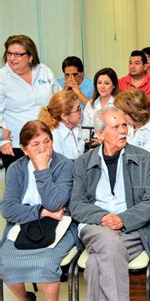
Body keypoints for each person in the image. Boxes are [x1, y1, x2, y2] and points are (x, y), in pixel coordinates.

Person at [70, 106, 150, 300]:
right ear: (100, 133)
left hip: (132, 229)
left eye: (124, 125)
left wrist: (122, 219)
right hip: (95, 226)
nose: (123, 131)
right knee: (109, 244)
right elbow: (76, 204)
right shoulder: (82, 163)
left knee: (96, 263)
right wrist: (103, 218)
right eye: (116, 127)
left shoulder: (143, 159)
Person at [0, 120, 78, 301]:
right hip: (24, 224)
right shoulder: (16, 169)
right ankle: (24, 298)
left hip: (60, 223)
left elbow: (55, 203)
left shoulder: (64, 165)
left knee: (45, 264)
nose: (43, 148)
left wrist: (42, 169)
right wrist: (42, 212)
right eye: (35, 144)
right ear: (24, 149)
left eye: (47, 141)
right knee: (4, 262)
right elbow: (8, 209)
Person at [0, 35, 60, 170]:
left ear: (30, 56)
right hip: (17, 144)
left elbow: (57, 99)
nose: (12, 58)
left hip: (46, 139)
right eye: (9, 53)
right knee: (21, 186)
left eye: (18, 54)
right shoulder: (2, 77)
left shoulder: (44, 71)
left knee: (48, 181)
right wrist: (2, 141)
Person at [114, 89, 150, 157]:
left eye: (124, 113)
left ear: (135, 113)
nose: (121, 116)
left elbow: (145, 158)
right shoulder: (127, 124)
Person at [38, 90, 85, 160]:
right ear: (64, 116)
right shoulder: (54, 137)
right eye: (77, 109)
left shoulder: (75, 128)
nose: (82, 112)